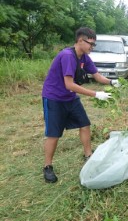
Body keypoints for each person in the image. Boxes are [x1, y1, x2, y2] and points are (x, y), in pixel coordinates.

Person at [41, 27, 121, 183]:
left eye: (93, 45)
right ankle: (47, 166)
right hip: (54, 98)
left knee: (85, 124)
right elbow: (69, 84)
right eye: (90, 44)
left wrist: (112, 82)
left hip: (70, 98)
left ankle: (88, 156)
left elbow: (97, 76)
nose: (92, 47)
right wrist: (96, 94)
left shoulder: (84, 57)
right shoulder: (67, 56)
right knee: (54, 134)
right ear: (80, 41)